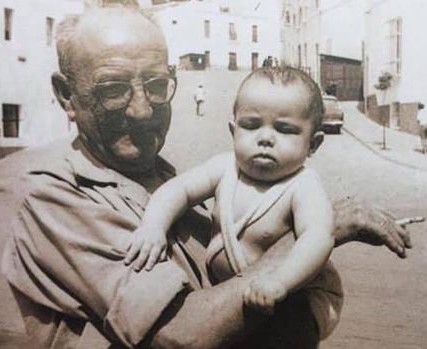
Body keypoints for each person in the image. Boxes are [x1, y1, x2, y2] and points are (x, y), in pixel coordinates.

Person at [0, 6, 418, 348]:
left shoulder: (158, 175)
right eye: (112, 89)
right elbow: (180, 334)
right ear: (67, 95)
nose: (142, 110)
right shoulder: (55, 198)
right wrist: (325, 230)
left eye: (157, 85)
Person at [125, 67, 337, 324]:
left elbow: (318, 237)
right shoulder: (224, 168)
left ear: (313, 144)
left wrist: (280, 281)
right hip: (231, 293)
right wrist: (153, 226)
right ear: (232, 130)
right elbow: (178, 189)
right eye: (251, 125)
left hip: (296, 295)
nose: (265, 138)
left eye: (285, 129)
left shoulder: (303, 185)